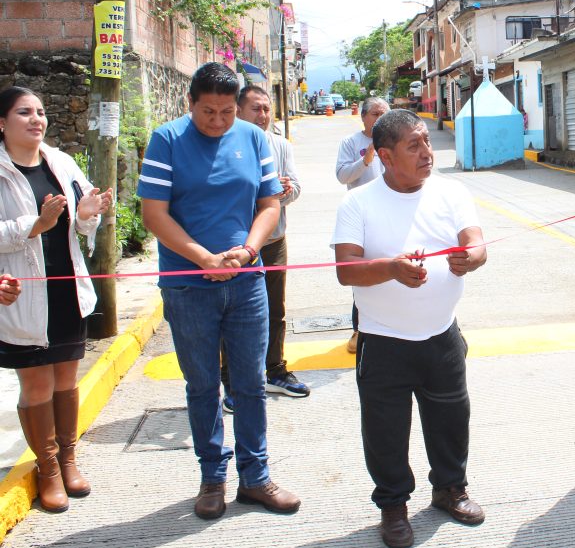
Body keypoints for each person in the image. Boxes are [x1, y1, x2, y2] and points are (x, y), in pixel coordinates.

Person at [139, 63, 300, 520]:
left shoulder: (253, 138)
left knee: (250, 383)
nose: (218, 121)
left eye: (227, 111)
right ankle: (213, 477)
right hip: (189, 287)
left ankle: (256, 477)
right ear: (189, 103)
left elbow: (269, 203)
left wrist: (249, 251)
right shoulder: (166, 140)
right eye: (208, 111)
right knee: (203, 385)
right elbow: (155, 215)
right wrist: (203, 259)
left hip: (247, 281)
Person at [332, 109, 487, 548]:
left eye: (427, 141)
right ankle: (394, 507)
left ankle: (450, 489)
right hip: (383, 341)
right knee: (385, 430)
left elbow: (476, 242)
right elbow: (346, 270)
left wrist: (472, 256)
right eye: (413, 145)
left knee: (451, 419)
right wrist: (391, 269)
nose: (427, 153)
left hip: (442, 335)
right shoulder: (357, 203)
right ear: (385, 155)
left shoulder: (451, 193)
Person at [0, 86, 112, 512]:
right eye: (24, 112)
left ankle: (68, 460)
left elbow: (85, 225)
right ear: (2, 123)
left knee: (66, 379)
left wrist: (87, 213)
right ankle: (46, 470)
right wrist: (36, 223)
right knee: (37, 383)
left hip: (67, 288)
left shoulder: (60, 162)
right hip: (23, 293)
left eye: (41, 112)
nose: (36, 119)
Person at [221, 86, 307, 412]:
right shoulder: (227, 145)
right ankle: (230, 379)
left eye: (267, 109)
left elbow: (295, 188)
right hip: (236, 248)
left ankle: (275, 370)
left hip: (273, 242)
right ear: (239, 111)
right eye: (256, 109)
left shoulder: (281, 145)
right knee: (232, 313)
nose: (263, 115)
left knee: (275, 310)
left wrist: (284, 191)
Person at [335, 97, 390, 354]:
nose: (381, 117)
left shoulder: (394, 138)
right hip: (363, 219)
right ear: (364, 117)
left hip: (391, 214)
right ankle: (360, 329)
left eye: (386, 113)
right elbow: (343, 176)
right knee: (363, 273)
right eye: (377, 113)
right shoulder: (351, 143)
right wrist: (366, 160)